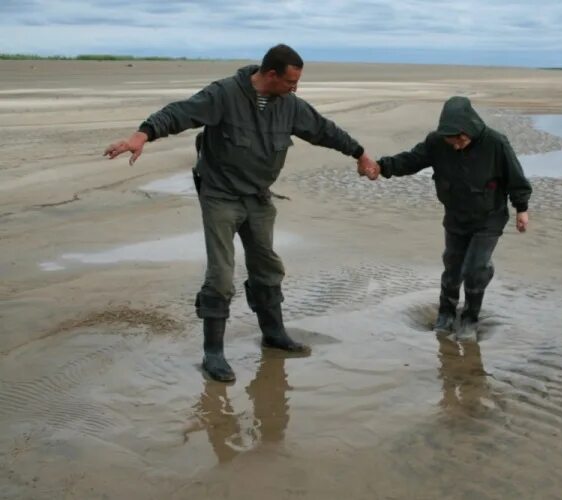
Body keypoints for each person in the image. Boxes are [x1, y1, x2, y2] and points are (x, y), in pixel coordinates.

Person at [104, 44, 379, 382]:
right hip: (220, 195)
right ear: (271, 74)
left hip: (259, 198)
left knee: (267, 266)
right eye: (291, 82)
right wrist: (141, 135)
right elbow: (179, 113)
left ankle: (274, 334)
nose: (296, 89)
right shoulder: (224, 95)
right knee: (221, 275)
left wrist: (359, 153)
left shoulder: (289, 106)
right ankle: (214, 353)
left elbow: (323, 130)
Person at [368, 96, 532, 334]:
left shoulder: (496, 143)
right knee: (452, 266)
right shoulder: (436, 143)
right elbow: (412, 160)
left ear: (470, 128)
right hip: (456, 215)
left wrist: (522, 209)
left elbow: (516, 178)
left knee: (474, 269)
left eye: (461, 140)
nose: (456, 146)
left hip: (489, 217)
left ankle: (470, 318)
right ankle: (445, 314)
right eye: (451, 141)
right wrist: (382, 167)